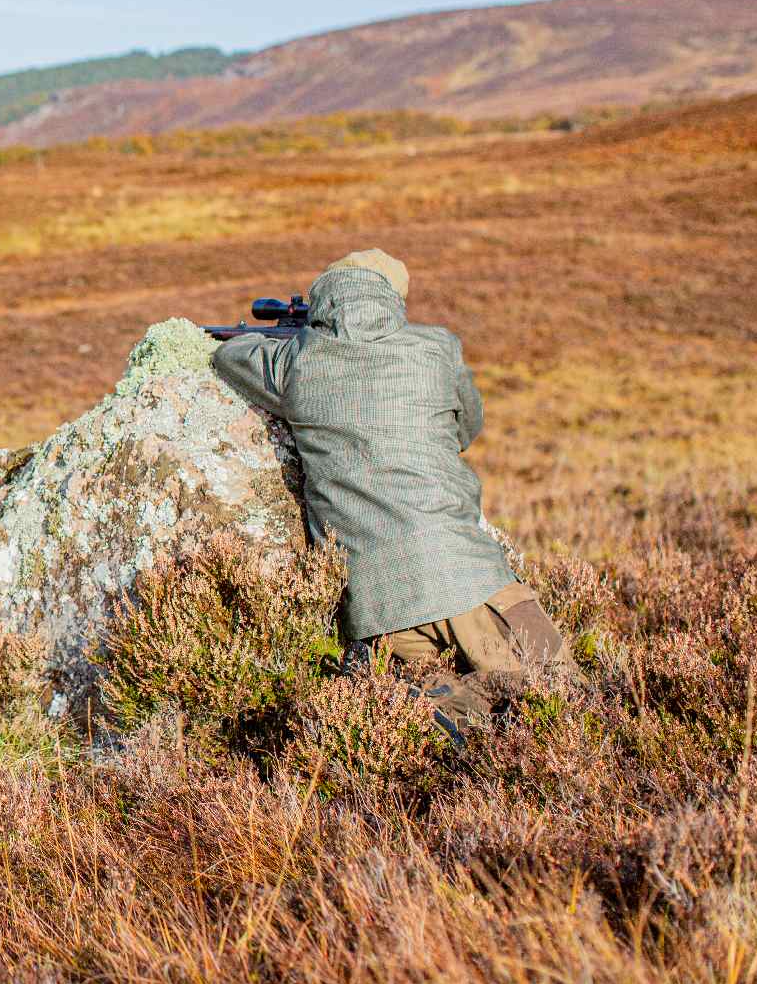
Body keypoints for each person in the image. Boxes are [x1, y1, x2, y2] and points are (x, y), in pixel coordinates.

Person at [212, 248, 580, 740]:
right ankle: (463, 705)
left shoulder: (297, 363)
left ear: (323, 301)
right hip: (468, 577)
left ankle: (442, 703)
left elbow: (227, 353)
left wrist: (298, 338)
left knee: (429, 729)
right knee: (561, 699)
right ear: (393, 300)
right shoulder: (436, 350)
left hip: (377, 610)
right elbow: (467, 427)